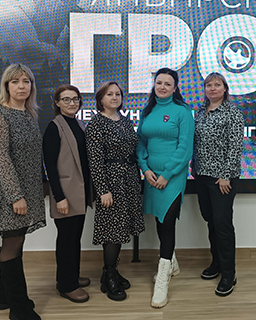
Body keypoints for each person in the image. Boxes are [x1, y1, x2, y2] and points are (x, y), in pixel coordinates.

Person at [0, 64, 45, 320]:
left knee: (17, 241)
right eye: (15, 81)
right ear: (6, 86)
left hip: (28, 190)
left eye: (26, 81)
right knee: (12, 243)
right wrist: (15, 196)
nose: (21, 86)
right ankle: (19, 308)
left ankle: (4, 297)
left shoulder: (29, 113)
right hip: (10, 193)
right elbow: (1, 160)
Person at [136, 68, 195, 308]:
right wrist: (145, 169)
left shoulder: (182, 111)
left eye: (167, 84)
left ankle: (162, 280)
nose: (162, 87)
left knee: (168, 222)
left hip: (173, 177)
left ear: (175, 87)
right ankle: (172, 264)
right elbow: (141, 143)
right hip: (151, 176)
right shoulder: (147, 111)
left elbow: (185, 149)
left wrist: (167, 174)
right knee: (160, 221)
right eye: (158, 82)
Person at [85, 81, 145, 301]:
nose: (114, 97)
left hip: (129, 180)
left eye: (118, 94)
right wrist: (103, 190)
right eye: (109, 94)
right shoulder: (96, 124)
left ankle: (110, 272)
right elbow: (95, 161)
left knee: (121, 228)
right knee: (111, 229)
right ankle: (109, 276)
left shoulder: (125, 120)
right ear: (100, 98)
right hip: (110, 183)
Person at [191, 72, 244, 297]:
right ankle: (217, 263)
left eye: (217, 84)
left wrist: (226, 175)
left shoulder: (232, 112)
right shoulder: (200, 112)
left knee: (222, 225)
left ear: (225, 88)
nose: (212, 88)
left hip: (222, 179)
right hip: (201, 176)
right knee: (210, 221)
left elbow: (235, 146)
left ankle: (229, 273)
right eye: (208, 85)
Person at [43, 85, 93, 303]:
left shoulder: (78, 124)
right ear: (57, 102)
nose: (72, 103)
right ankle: (67, 286)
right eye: (66, 99)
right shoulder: (54, 127)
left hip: (79, 192)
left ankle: (70, 276)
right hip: (65, 193)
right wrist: (59, 197)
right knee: (66, 240)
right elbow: (50, 167)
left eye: (75, 99)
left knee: (74, 238)